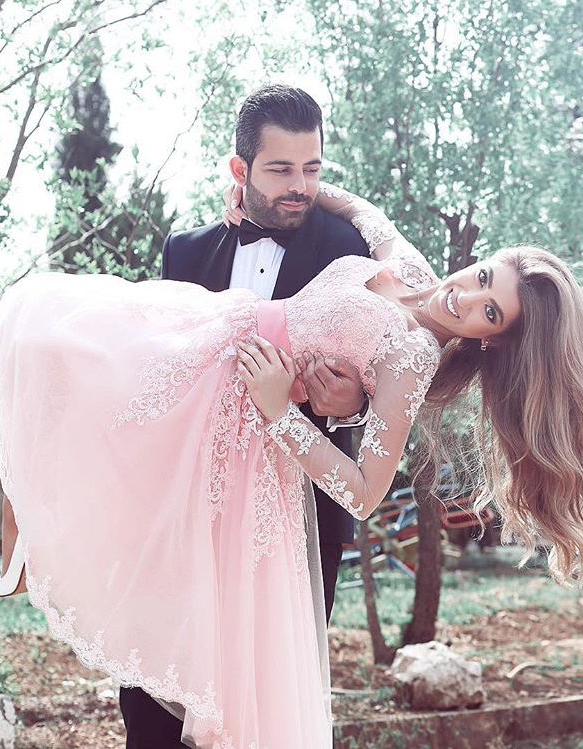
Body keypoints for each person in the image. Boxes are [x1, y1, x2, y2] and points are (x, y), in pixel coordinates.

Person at [0, 180, 583, 747]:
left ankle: (26, 521)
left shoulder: (413, 359)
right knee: (65, 329)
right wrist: (258, 191)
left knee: (76, 357)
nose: (468, 295)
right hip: (212, 334)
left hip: (235, 412)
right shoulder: (407, 261)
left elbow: (364, 491)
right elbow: (347, 198)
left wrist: (278, 410)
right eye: (484, 276)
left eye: (489, 311)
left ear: (492, 340)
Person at [120, 84, 371, 748]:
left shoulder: (352, 251)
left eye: (312, 168)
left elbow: (388, 372)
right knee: (155, 698)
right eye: (280, 169)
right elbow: (161, 371)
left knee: (266, 705)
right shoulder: (185, 251)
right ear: (240, 170)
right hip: (186, 512)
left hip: (289, 525)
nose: (300, 187)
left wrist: (353, 406)